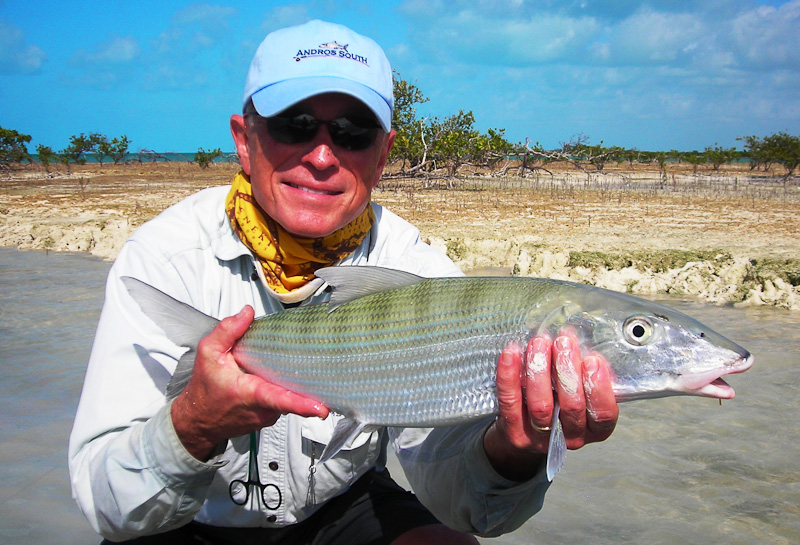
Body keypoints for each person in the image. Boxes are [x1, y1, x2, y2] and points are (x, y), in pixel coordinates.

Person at [69, 20, 619, 545]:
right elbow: (105, 503)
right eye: (294, 125)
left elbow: (461, 506)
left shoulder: (420, 273)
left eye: (353, 133)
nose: (322, 156)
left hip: (343, 510)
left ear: (382, 155)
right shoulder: (164, 260)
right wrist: (193, 424)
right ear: (244, 138)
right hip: (182, 524)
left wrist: (513, 453)